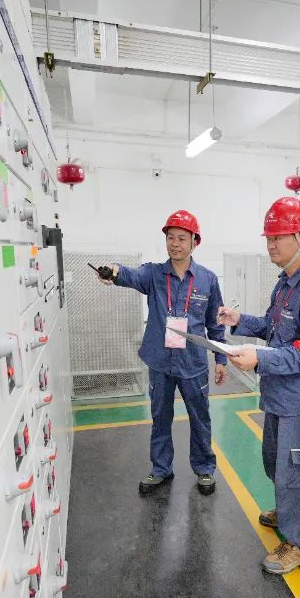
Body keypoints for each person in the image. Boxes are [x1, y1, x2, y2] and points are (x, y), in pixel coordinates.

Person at [218, 197, 300, 575]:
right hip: (279, 394)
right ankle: (289, 512)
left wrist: (259, 359)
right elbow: (273, 328)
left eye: (278, 237)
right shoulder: (286, 283)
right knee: (276, 462)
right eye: (269, 238)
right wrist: (238, 320)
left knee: (297, 471)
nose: (271, 245)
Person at [96, 210, 227, 495]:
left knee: (200, 417)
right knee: (160, 417)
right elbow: (129, 274)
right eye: (171, 238)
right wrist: (113, 270)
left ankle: (204, 468)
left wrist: (221, 359)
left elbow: (215, 322)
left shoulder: (207, 279)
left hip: (193, 362)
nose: (175, 244)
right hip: (160, 362)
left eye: (182, 238)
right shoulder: (154, 274)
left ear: (195, 242)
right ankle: (161, 469)